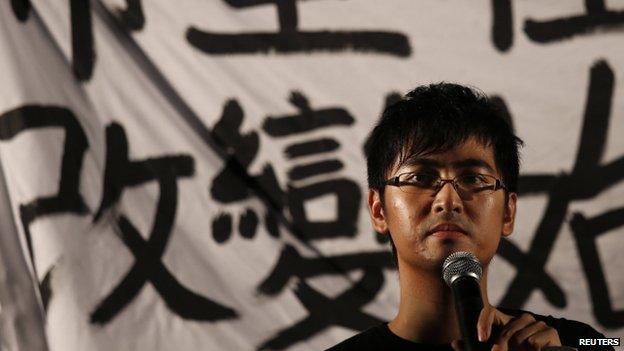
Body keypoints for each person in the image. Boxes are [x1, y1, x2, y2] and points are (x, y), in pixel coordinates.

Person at [326, 83, 613, 351]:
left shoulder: (580, 339)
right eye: (420, 177)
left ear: (508, 213)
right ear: (379, 210)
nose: (447, 200)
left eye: (474, 179)